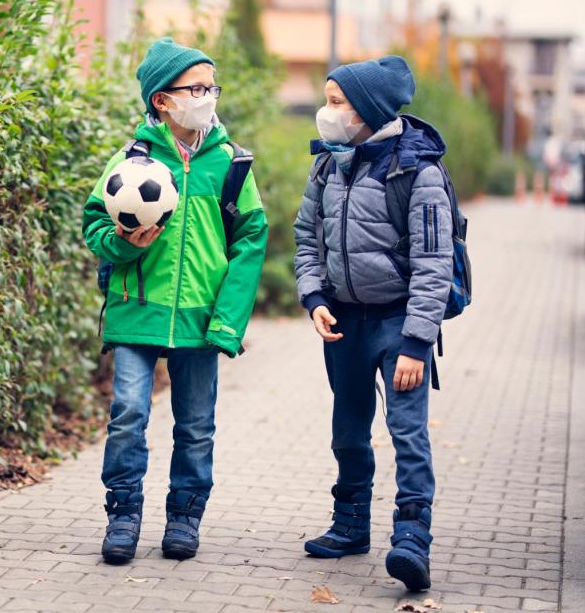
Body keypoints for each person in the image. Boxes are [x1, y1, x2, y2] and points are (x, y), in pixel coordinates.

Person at [81, 37, 267, 564]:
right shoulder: (131, 161)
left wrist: (228, 322)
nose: (208, 96)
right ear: (162, 100)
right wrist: (121, 243)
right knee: (127, 413)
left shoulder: (229, 163)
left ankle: (185, 516)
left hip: (201, 320)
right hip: (136, 310)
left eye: (212, 86)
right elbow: (95, 223)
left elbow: (251, 239)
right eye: (197, 87)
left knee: (196, 425)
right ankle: (123, 514)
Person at [293, 55, 452, 591]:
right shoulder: (329, 164)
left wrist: (415, 342)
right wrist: (314, 296)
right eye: (328, 99)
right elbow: (305, 237)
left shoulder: (417, 171)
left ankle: (412, 539)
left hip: (398, 323)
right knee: (348, 429)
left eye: (337, 102)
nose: (327, 111)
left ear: (368, 109)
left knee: (407, 431)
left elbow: (435, 265)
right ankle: (350, 524)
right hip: (343, 322)